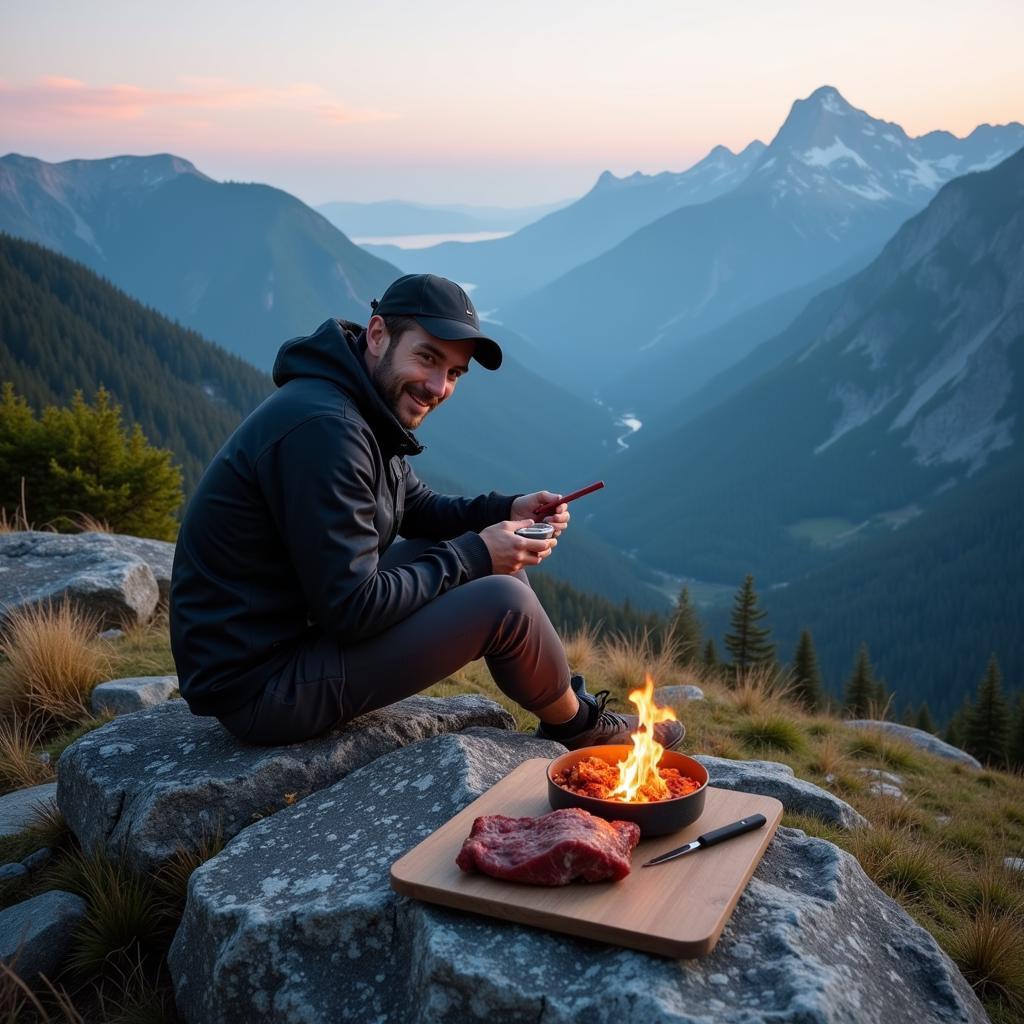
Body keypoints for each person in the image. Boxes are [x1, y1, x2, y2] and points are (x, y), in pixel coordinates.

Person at [169, 273, 683, 751]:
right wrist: (478, 554)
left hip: (292, 635)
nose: (439, 387)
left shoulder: (358, 404)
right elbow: (352, 609)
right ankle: (578, 729)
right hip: (263, 688)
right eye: (428, 358)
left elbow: (414, 507)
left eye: (454, 372)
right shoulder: (326, 429)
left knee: (480, 569)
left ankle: (572, 715)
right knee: (502, 600)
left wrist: (508, 508)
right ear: (377, 335)